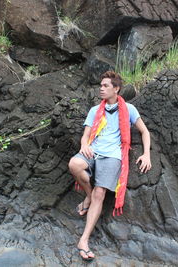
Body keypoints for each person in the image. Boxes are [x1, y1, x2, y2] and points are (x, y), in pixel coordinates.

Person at [68, 71, 152, 261]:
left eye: (106, 85)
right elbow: (86, 134)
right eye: (101, 85)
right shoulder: (95, 110)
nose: (101, 88)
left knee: (100, 193)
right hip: (93, 151)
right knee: (74, 164)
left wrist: (147, 154)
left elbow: (144, 132)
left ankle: (83, 241)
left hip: (113, 156)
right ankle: (88, 197)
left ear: (116, 89)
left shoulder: (129, 109)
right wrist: (84, 145)